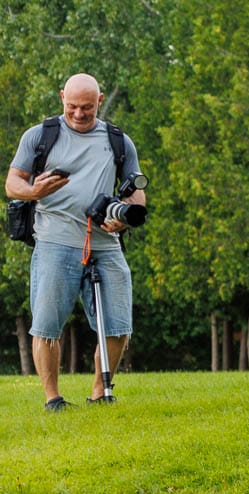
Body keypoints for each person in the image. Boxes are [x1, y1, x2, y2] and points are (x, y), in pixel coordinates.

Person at [8, 74, 147, 411]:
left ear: (99, 100)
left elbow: (136, 192)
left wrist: (125, 217)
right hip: (54, 241)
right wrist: (34, 191)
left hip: (106, 242)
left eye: (86, 107)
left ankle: (100, 393)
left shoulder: (118, 141)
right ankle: (53, 399)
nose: (79, 113)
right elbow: (13, 183)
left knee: (118, 325)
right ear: (62, 98)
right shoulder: (40, 135)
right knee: (46, 326)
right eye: (72, 106)